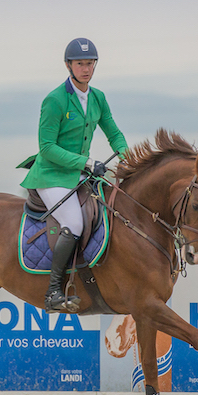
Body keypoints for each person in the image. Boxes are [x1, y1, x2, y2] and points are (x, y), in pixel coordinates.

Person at [19, 37, 130, 313]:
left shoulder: (98, 98)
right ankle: (54, 291)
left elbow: (114, 133)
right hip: (51, 175)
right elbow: (46, 147)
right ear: (69, 65)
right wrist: (88, 162)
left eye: (90, 63)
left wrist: (128, 157)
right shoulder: (55, 100)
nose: (86, 69)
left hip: (79, 174)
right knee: (75, 223)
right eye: (81, 64)